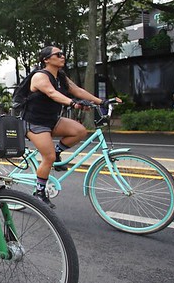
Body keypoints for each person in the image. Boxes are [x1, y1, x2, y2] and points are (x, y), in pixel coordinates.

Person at [21, 45, 118, 208]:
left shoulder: (61, 76)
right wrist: (72, 103)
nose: (62, 56)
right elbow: (52, 93)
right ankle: (39, 193)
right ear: (46, 59)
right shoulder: (40, 76)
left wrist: (102, 102)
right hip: (35, 123)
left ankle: (58, 152)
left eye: (63, 54)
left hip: (52, 120)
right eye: (58, 54)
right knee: (48, 157)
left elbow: (78, 90)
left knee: (79, 131)